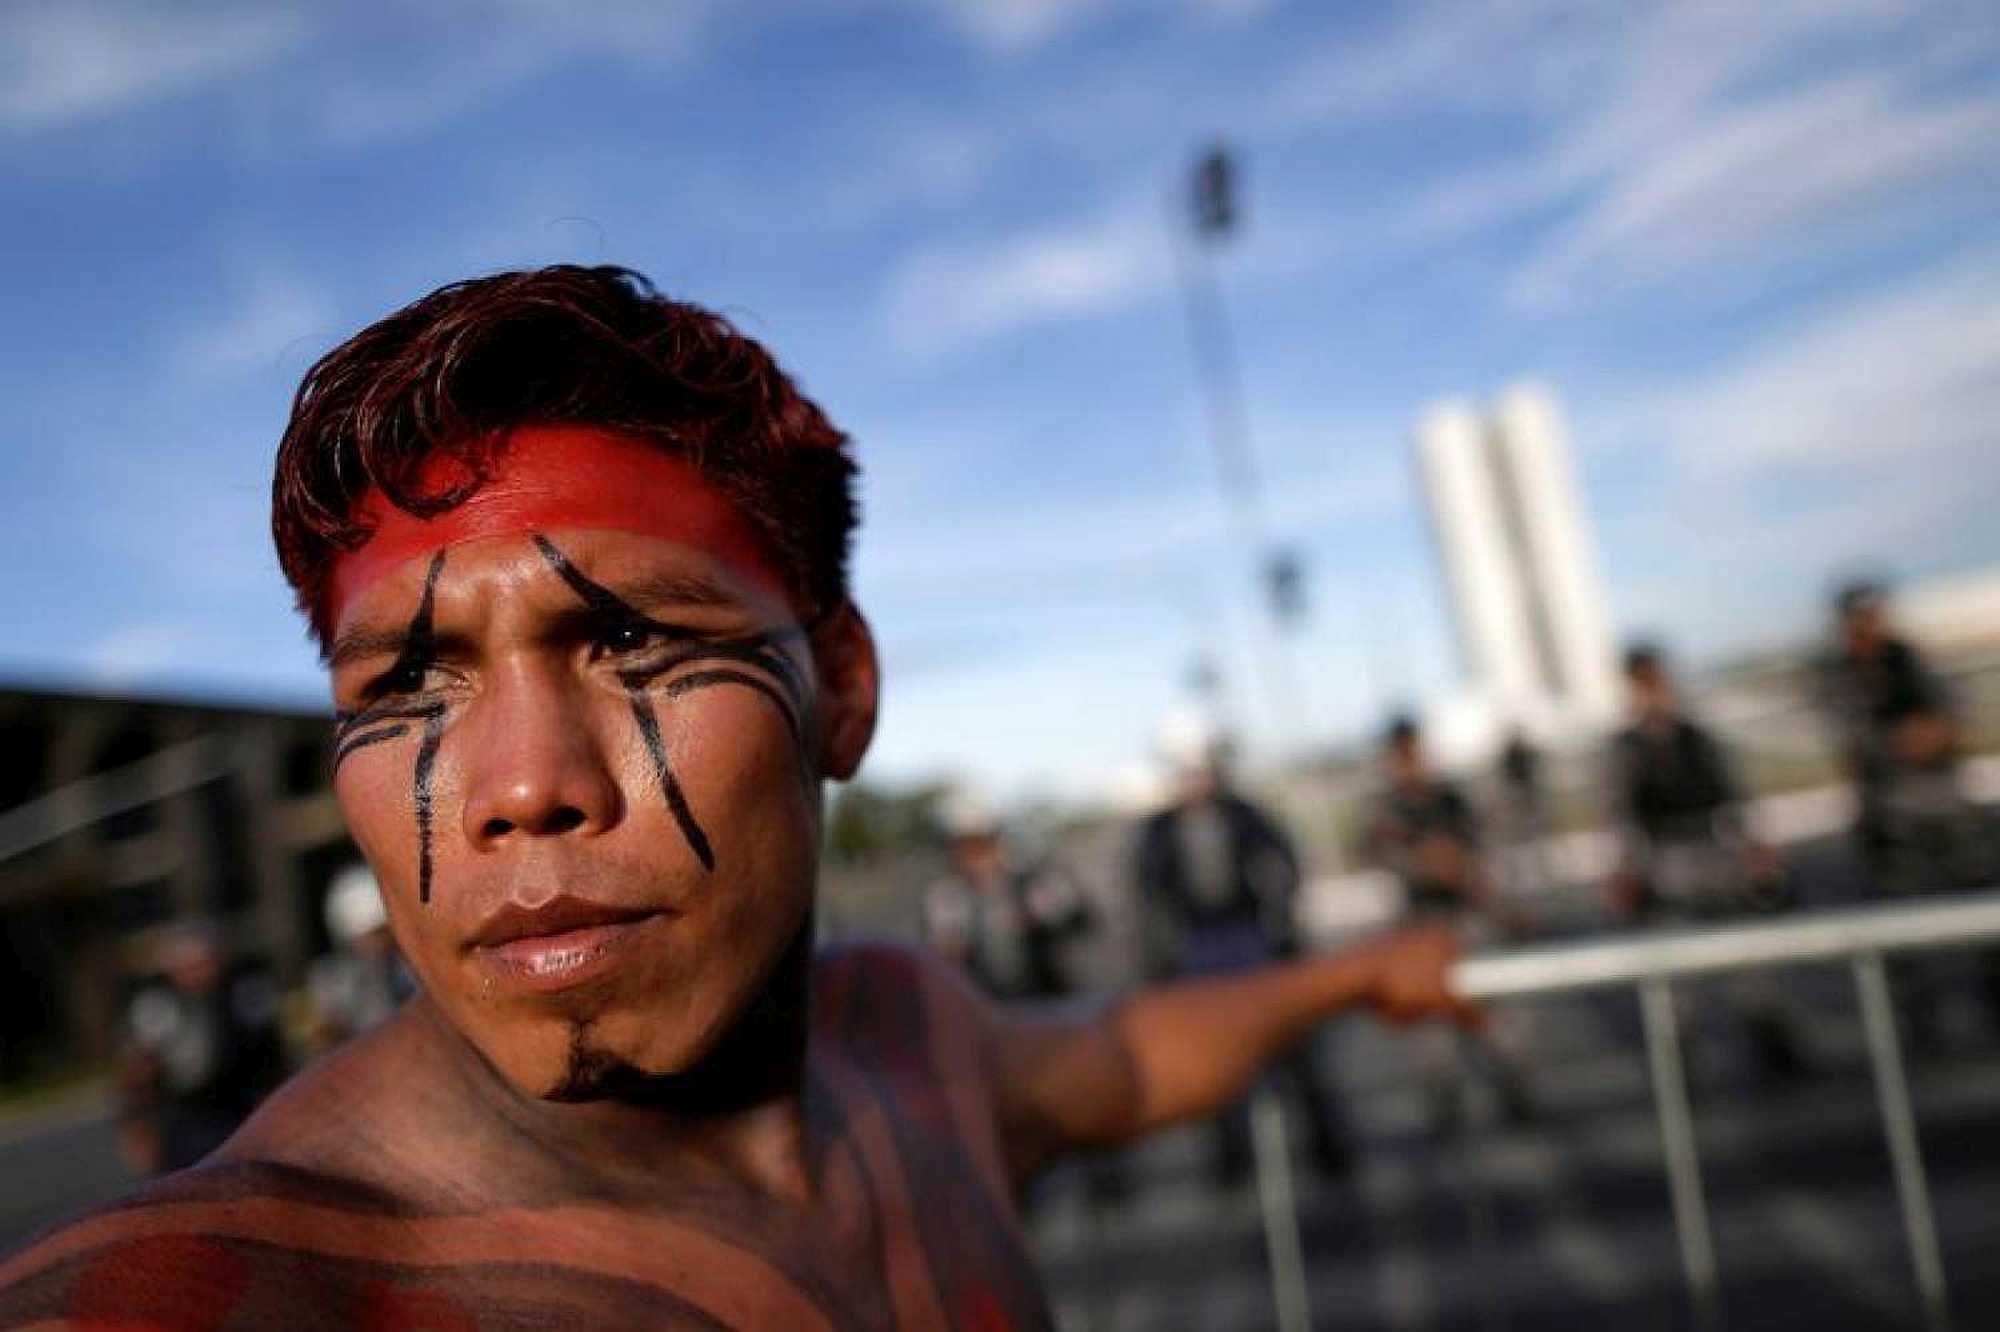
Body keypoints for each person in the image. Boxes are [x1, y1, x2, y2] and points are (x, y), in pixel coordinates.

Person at [0, 266, 1469, 1326]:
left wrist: (1359, 973)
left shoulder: (901, 1040)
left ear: (844, 685)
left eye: (634, 641)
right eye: (409, 685)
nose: (522, 787)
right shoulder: (229, 1288)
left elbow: (1123, 1059)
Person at [1132, 714, 1351, 1185]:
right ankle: (1231, 1158)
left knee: (1290, 1040)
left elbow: (1282, 862)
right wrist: (1161, 955)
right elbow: (1148, 894)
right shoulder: (1159, 830)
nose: (1194, 781)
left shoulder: (1243, 814)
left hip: (1250, 937)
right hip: (1200, 947)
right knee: (1213, 1054)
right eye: (1185, 772)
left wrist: (1281, 917)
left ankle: (1327, 1149)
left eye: (1200, 770)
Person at [1607, 645, 1806, 1078]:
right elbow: (1622, 814)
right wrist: (1626, 871)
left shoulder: (1695, 737)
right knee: (1676, 973)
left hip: (1715, 854)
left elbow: (1732, 797)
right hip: (1667, 862)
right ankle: (1680, 1063)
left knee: (1745, 958)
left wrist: (1755, 850)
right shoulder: (1628, 748)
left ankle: (1773, 1045)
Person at [1362, 715, 1531, 1124]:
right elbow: (1381, 854)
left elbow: (1481, 852)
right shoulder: (1388, 809)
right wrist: (1426, 863)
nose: (1411, 763)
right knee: (1433, 1034)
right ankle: (1446, 1105)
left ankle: (1512, 1092)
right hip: (1422, 926)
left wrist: (1467, 873)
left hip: (1464, 921)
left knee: (1492, 1018)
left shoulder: (1451, 800)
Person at [1817, 580, 1985, 894]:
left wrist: (1939, 728)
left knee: (1971, 875)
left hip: (1941, 789)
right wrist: (1898, 740)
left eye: (1874, 614)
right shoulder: (1837, 673)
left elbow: (1954, 701)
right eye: (1862, 616)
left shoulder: (1906, 657)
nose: (1871, 623)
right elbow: (1844, 728)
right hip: (1887, 803)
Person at [114, 923, 288, 1176]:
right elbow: (137, 1074)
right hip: (186, 1117)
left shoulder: (244, 996)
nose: (201, 972)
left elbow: (272, 1057)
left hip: (241, 1109)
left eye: (205, 963)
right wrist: (137, 1126)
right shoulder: (158, 1010)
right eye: (191, 966)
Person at [921, 790, 1092, 1004]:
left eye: (980, 845)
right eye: (963, 848)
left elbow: (1082, 920)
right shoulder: (946, 897)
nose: (974, 858)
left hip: (1047, 1002)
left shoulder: (1032, 883)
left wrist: (1043, 919)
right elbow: (940, 953)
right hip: (984, 1008)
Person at [304, 863, 418, 1051]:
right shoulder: (333, 985)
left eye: (383, 932)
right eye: (372, 936)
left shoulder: (412, 971)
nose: (380, 945)